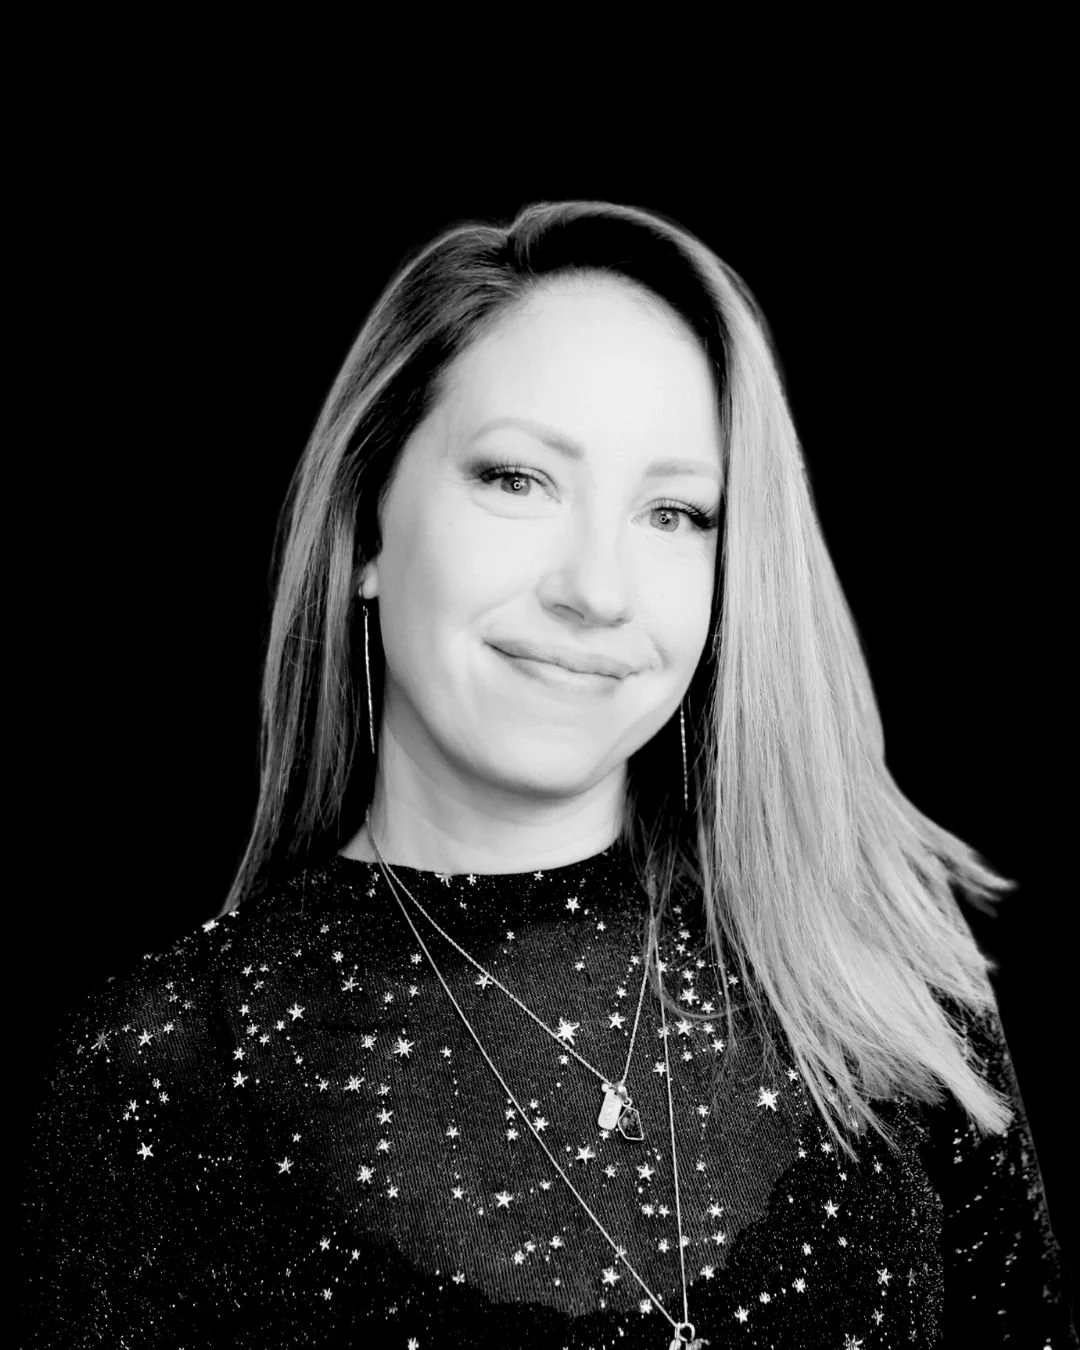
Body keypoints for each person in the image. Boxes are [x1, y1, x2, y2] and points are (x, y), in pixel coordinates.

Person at [18, 199, 1076, 1348]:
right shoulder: (166, 1066)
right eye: (519, 479)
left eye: (674, 512)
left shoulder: (883, 982)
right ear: (368, 529)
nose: (597, 588)